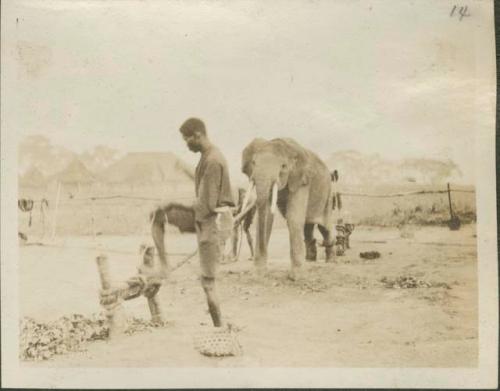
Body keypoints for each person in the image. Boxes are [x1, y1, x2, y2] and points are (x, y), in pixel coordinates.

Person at [179, 117, 235, 327]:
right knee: (207, 281)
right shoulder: (207, 157)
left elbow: (206, 204)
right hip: (210, 221)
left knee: (208, 282)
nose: (186, 144)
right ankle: (219, 325)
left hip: (213, 223)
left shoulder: (212, 160)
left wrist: (172, 206)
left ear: (197, 135)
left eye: (187, 140)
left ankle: (220, 331)